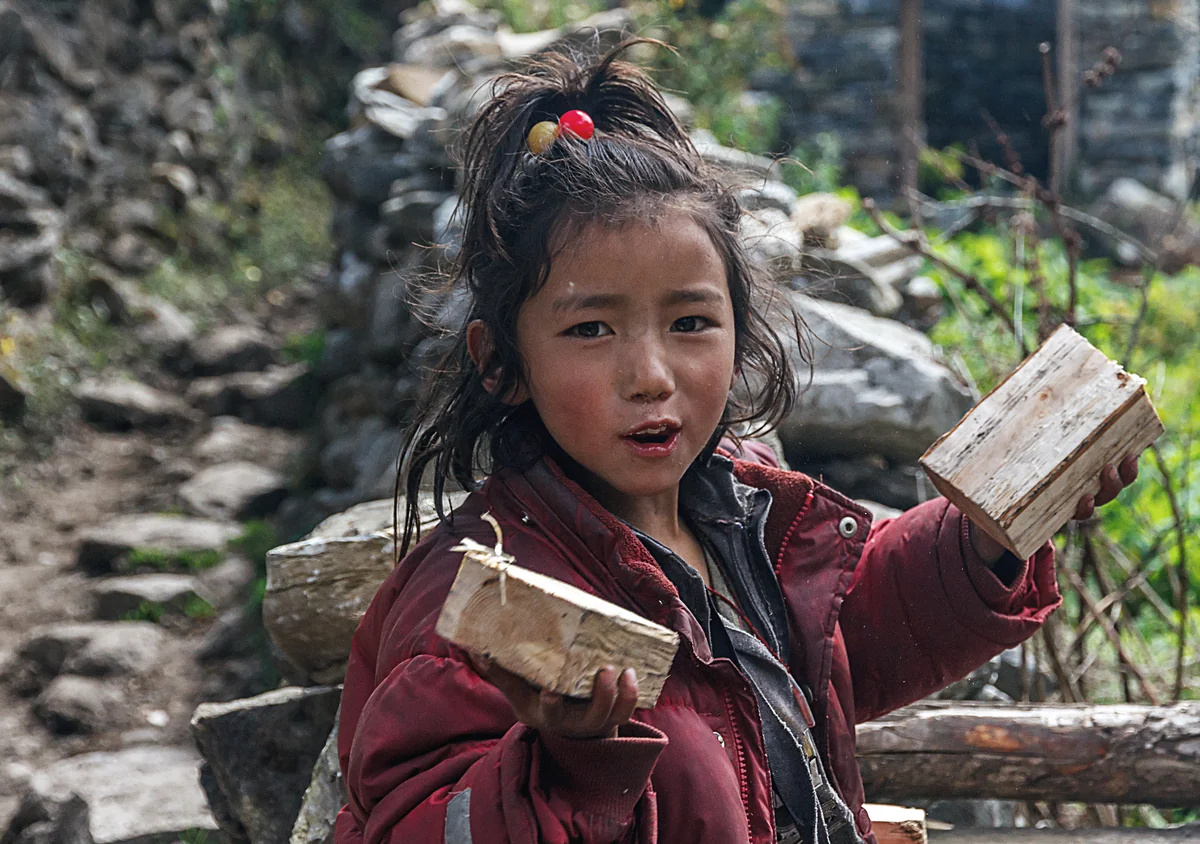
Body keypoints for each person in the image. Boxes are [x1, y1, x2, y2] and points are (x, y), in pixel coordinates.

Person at [334, 42, 1140, 844]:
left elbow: (842, 637)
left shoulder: (739, 513)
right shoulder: (481, 609)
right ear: (503, 364)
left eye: (690, 323)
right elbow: (423, 823)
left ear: (738, 332)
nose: (650, 376)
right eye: (590, 329)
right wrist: (565, 763)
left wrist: (993, 534)